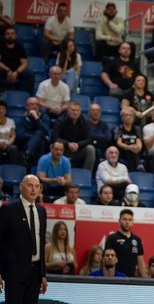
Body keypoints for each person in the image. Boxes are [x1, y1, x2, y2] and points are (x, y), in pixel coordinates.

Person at [0, 175, 47, 303]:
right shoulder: (8, 209)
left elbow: (41, 244)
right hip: (14, 273)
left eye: (37, 186)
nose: (33, 190)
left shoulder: (42, 211)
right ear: (21, 187)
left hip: (35, 274)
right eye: (30, 185)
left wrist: (42, 274)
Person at [53, 101, 96, 171]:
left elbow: (88, 139)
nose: (75, 112)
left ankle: (86, 174)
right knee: (53, 146)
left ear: (80, 111)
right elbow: (55, 137)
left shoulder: (84, 122)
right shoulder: (60, 121)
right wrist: (67, 144)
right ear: (68, 111)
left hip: (78, 150)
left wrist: (78, 145)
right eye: (73, 110)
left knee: (90, 149)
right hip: (64, 150)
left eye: (77, 110)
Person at [105, 209, 147, 277]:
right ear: (119, 221)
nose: (127, 222)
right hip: (115, 279)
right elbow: (107, 261)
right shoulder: (112, 238)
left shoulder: (137, 240)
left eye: (130, 220)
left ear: (133, 222)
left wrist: (145, 280)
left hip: (131, 280)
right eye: (124, 219)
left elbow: (140, 263)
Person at [0, 26, 35, 93]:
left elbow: (25, 63)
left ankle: (26, 95)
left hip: (17, 71)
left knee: (30, 74)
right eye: (8, 34)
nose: (10, 36)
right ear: (4, 35)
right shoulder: (1, 45)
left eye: (12, 34)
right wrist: (7, 70)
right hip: (4, 70)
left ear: (15, 35)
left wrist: (17, 72)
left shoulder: (19, 46)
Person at [18, 97, 50, 165]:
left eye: (37, 104)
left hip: (43, 144)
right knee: (40, 136)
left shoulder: (45, 117)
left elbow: (46, 131)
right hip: (27, 143)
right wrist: (37, 137)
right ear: (27, 106)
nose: (35, 106)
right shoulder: (22, 118)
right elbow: (20, 134)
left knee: (40, 134)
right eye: (32, 104)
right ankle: (39, 166)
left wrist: (36, 118)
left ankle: (27, 153)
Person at [114, 107, 144, 172]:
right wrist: (128, 147)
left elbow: (139, 142)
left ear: (133, 118)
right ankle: (138, 165)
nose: (128, 117)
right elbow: (119, 143)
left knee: (133, 151)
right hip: (123, 150)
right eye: (126, 115)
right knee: (130, 151)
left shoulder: (136, 129)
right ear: (122, 118)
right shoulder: (119, 129)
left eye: (130, 115)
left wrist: (138, 148)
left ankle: (134, 170)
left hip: (135, 151)